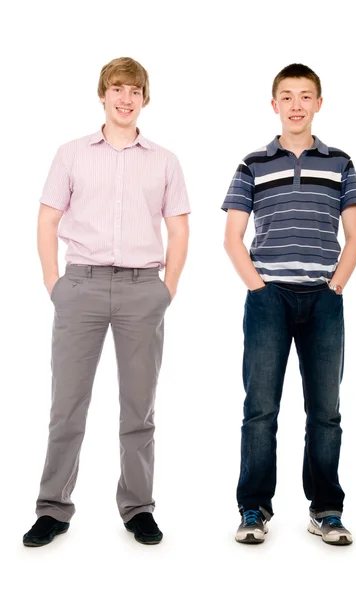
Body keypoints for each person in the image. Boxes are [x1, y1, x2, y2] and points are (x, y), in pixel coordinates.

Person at [23, 57, 190, 547]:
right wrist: (55, 284)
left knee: (139, 409)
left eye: (134, 90)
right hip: (81, 286)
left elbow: (179, 228)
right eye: (116, 89)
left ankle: (138, 507)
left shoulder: (164, 160)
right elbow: (46, 220)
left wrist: (168, 287)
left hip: (144, 289)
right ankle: (52, 508)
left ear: (144, 98)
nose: (125, 98)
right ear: (103, 94)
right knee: (67, 406)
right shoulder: (71, 154)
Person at [222, 63, 356, 546]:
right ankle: (253, 509)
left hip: (324, 299)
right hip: (269, 299)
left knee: (326, 410)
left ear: (319, 104)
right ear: (274, 104)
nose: (297, 104)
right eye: (288, 96)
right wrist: (259, 288)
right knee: (260, 408)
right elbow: (233, 238)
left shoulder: (340, 162)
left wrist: (335, 287)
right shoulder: (252, 164)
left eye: (306, 96)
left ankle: (326, 509)